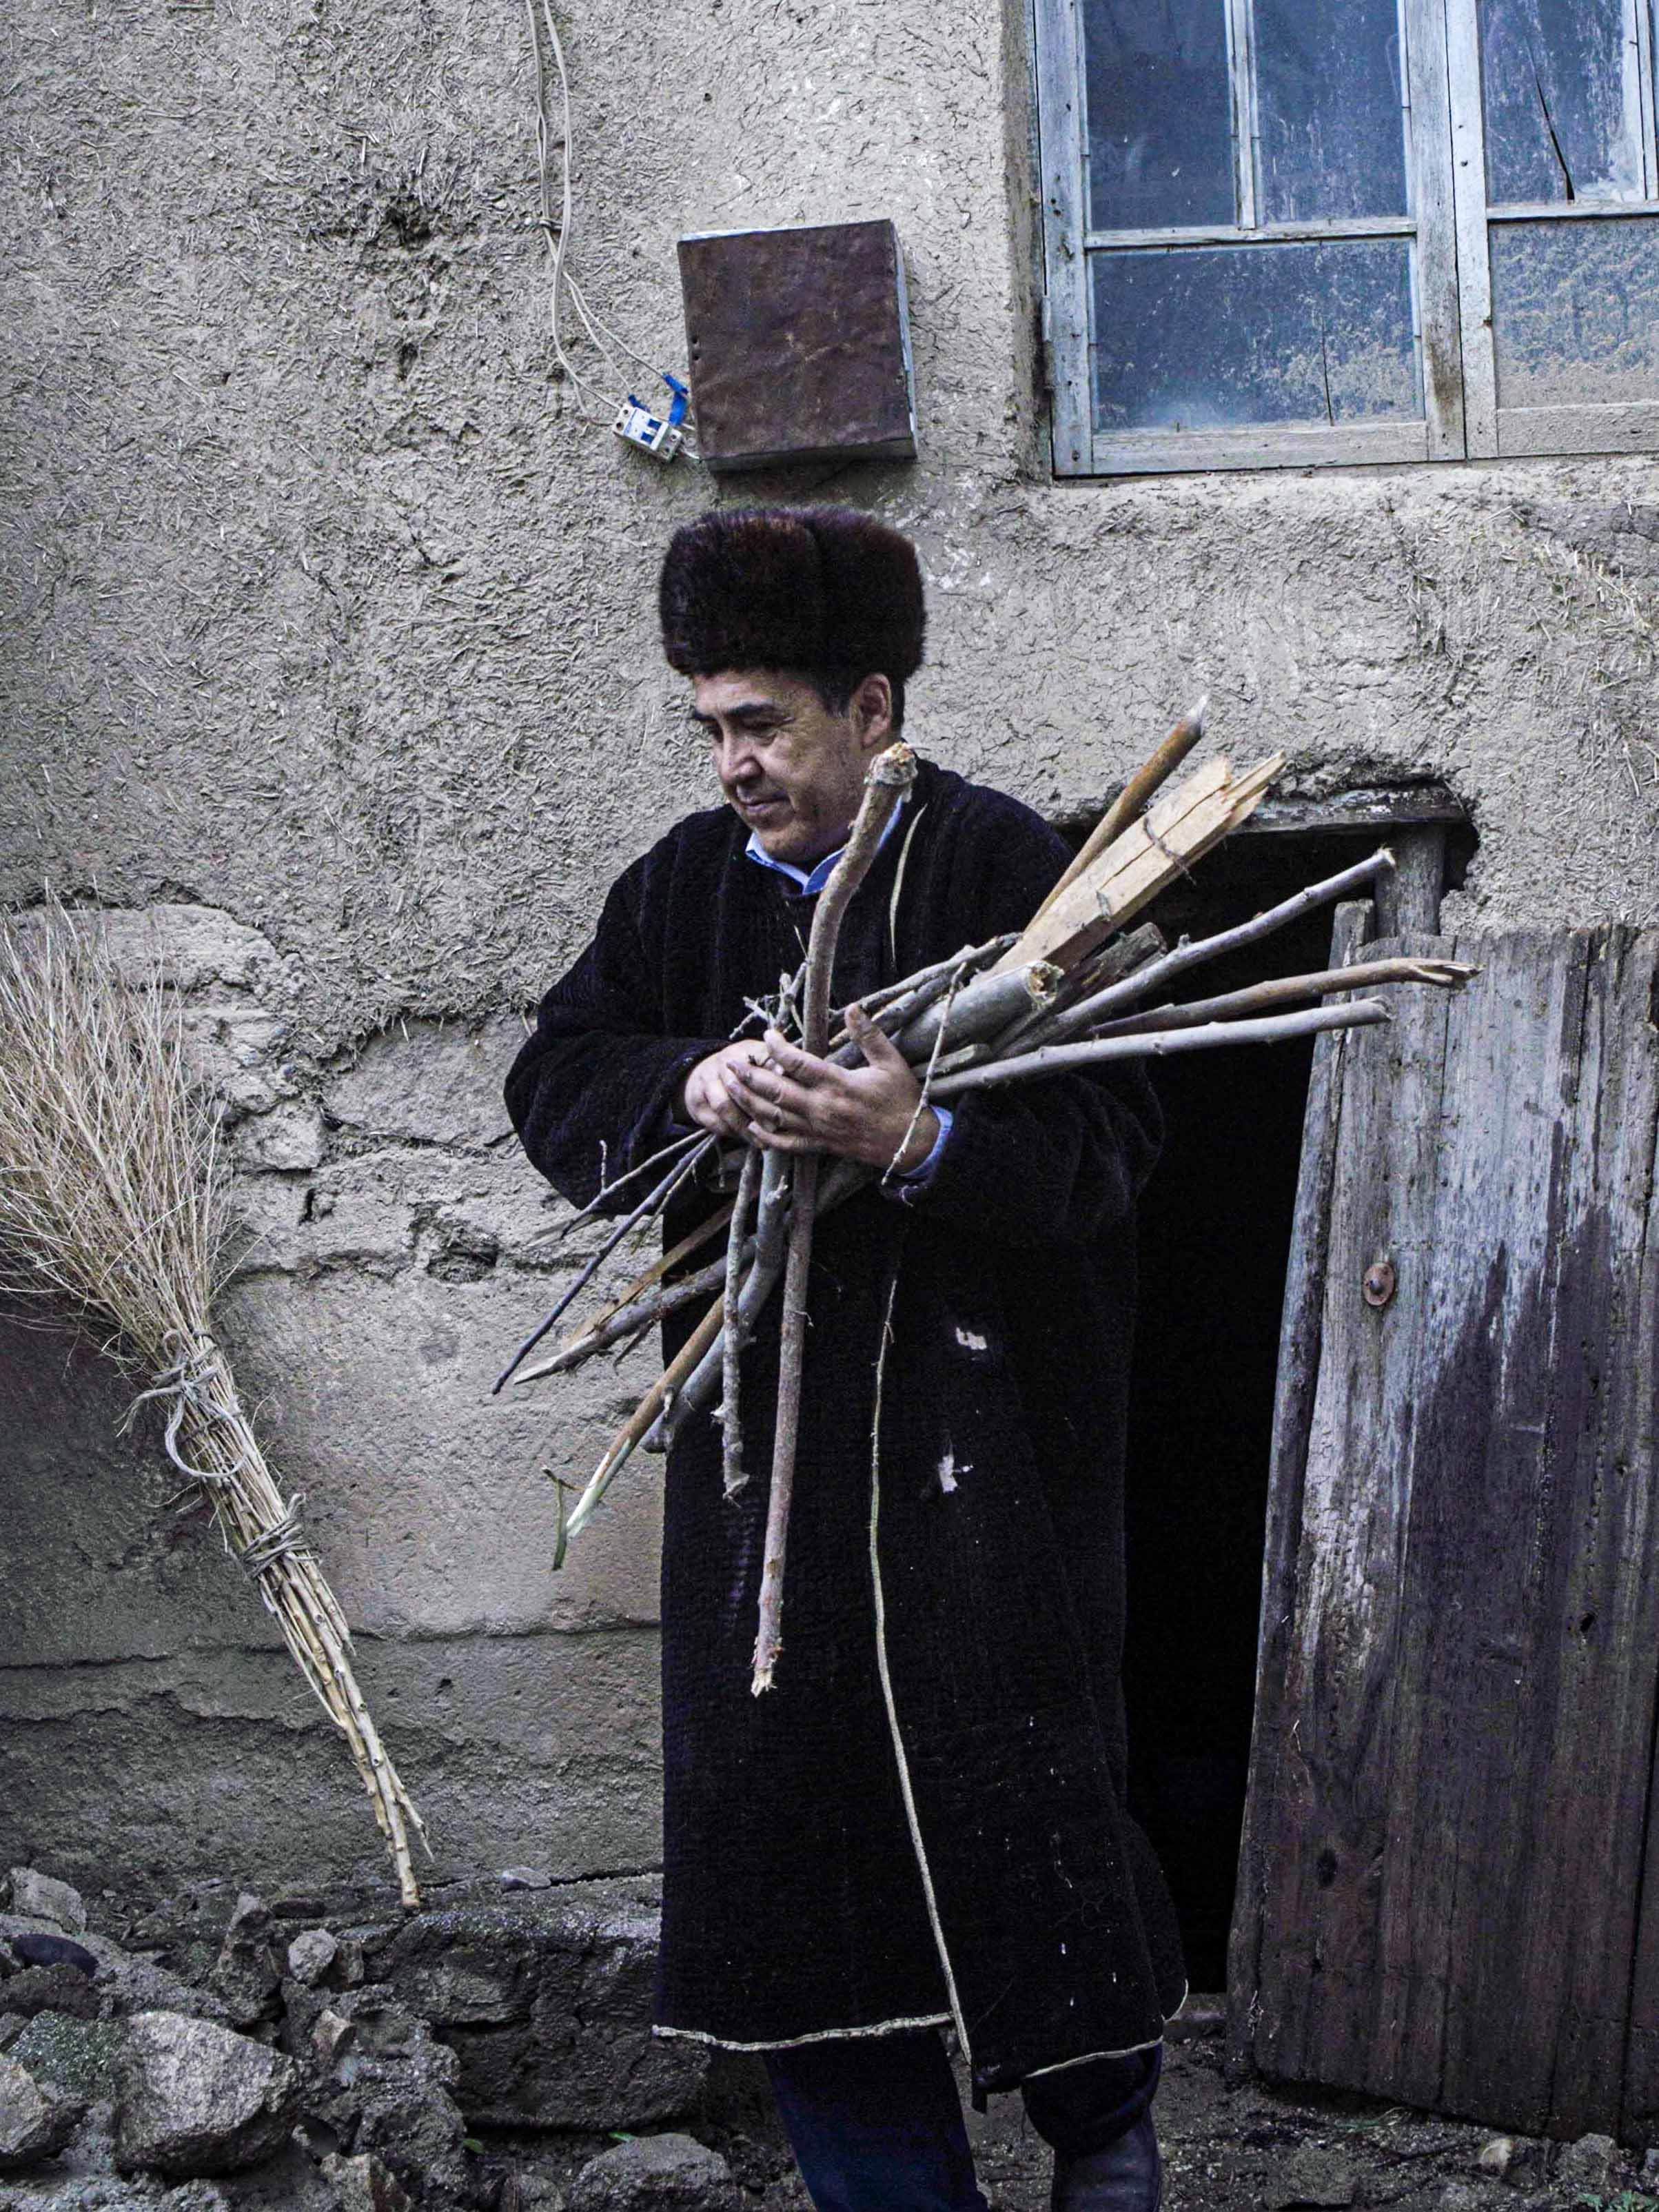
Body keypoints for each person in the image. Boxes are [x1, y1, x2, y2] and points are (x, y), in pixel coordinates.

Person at [505, 506, 1185, 2212]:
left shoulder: (1008, 872)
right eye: (711, 728)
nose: (732, 764)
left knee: (1032, 1830)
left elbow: (1117, 1142)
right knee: (792, 1872)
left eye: (763, 724)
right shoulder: (680, 891)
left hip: (986, 1471)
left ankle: (1103, 2141)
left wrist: (917, 1139)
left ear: (872, 709)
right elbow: (556, 1073)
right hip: (767, 1494)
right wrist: (686, 1085)